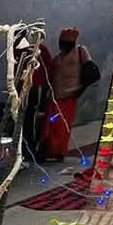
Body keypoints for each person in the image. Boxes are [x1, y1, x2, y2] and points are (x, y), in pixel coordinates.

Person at [46, 27, 92, 161]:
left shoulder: (80, 51)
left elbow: (91, 69)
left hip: (69, 96)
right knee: (51, 125)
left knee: (62, 126)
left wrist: (81, 89)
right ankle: (50, 151)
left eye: (66, 42)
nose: (63, 45)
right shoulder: (58, 58)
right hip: (54, 97)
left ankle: (59, 152)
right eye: (62, 42)